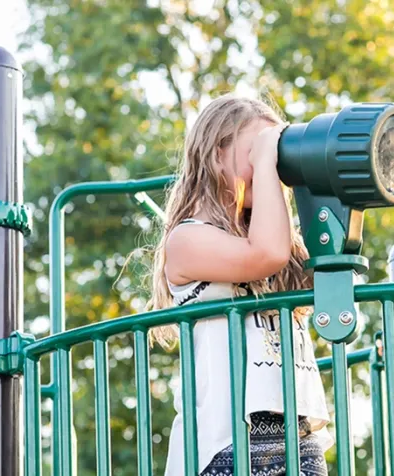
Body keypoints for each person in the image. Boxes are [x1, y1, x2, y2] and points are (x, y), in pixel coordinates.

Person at [146, 93, 333, 475]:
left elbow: (326, 272)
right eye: (254, 153)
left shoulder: (277, 241)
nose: (267, 167)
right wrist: (267, 157)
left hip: (298, 436)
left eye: (274, 160)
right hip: (228, 441)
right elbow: (265, 254)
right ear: (217, 153)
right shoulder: (186, 240)